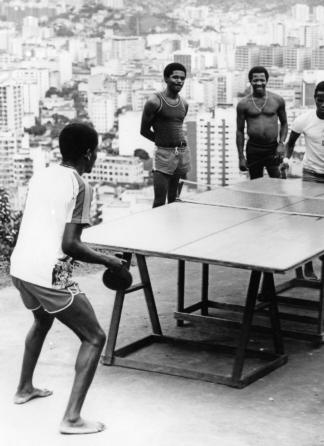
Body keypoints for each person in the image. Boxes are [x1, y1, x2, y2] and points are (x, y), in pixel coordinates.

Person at [10, 123, 126, 434]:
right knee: (94, 337)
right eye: (97, 152)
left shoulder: (43, 174)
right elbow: (70, 245)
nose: (96, 157)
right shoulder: (81, 187)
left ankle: (24, 389)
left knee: (41, 321)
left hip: (20, 267)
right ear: (88, 154)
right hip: (46, 274)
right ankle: (72, 418)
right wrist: (108, 260)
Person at [282, 80, 324, 279]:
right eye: (320, 100)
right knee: (310, 220)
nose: (323, 104)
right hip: (310, 174)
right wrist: (286, 159)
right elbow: (290, 144)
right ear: (315, 99)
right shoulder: (303, 120)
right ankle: (308, 266)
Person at [140, 62, 191, 208]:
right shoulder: (154, 102)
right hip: (163, 154)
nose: (179, 81)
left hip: (182, 153)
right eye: (175, 77)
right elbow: (144, 130)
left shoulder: (184, 104)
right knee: (159, 202)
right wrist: (163, 142)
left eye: (182, 78)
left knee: (174, 199)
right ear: (166, 78)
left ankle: (173, 229)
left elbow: (176, 127)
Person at [236, 66, 288, 179]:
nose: (259, 83)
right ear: (250, 81)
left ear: (266, 81)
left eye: (262, 80)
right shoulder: (243, 104)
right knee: (255, 183)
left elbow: (284, 123)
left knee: (278, 181)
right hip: (253, 148)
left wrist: (281, 144)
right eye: (255, 80)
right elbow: (240, 131)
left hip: (272, 148)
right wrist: (241, 157)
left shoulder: (277, 100)